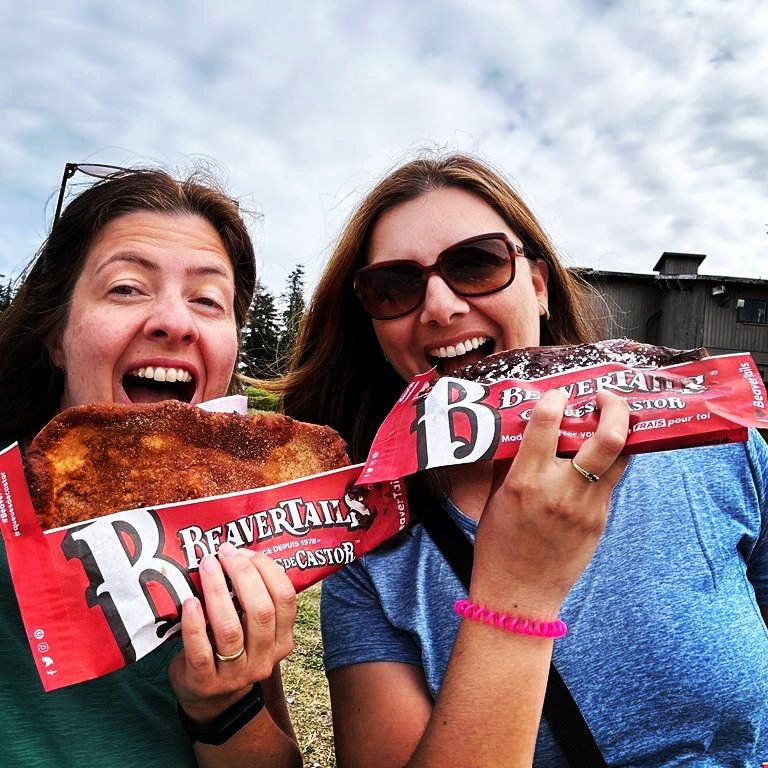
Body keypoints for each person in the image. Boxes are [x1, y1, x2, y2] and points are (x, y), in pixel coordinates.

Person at [274, 152, 768, 767]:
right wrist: (516, 598)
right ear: (372, 324)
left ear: (537, 286)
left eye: (476, 263)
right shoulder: (370, 539)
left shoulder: (713, 446)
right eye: (393, 287)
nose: (440, 307)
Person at [0, 164, 302, 767]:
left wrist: (225, 703)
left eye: (208, 300)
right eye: (126, 288)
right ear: (56, 337)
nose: (174, 321)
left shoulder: (234, 536)